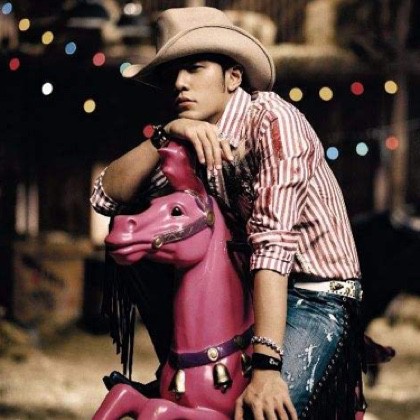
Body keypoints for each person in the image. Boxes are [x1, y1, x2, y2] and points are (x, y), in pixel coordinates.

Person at [91, 7, 365, 419]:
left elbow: (273, 245)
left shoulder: (274, 122)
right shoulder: (191, 133)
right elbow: (107, 199)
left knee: (259, 412)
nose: (179, 83)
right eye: (172, 75)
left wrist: (267, 369)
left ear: (233, 77)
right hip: (248, 284)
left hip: (316, 294)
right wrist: (164, 134)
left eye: (194, 68)